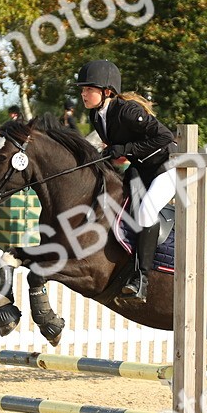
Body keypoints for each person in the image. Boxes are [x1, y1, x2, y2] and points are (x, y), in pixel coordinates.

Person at [76, 59, 175, 305]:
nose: (83, 94)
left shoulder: (128, 111)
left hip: (168, 167)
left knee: (146, 212)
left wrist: (125, 148)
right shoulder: (96, 116)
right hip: (141, 168)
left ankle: (141, 278)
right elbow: (119, 153)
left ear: (107, 91)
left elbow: (165, 136)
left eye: (89, 89)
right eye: (82, 89)